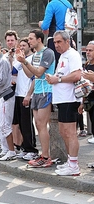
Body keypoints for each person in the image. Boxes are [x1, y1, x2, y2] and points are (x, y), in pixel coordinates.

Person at [16, 29, 55, 167]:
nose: (29, 41)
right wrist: (21, 61)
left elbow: (39, 72)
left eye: (31, 38)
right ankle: (43, 154)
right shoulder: (36, 55)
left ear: (39, 39)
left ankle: (46, 157)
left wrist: (25, 62)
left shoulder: (48, 53)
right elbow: (31, 75)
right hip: (37, 91)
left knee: (42, 124)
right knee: (38, 124)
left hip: (46, 91)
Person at [45, 30, 82, 176]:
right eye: (55, 42)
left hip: (69, 98)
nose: (56, 45)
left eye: (59, 42)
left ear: (67, 41)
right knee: (63, 132)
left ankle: (74, 165)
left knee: (70, 133)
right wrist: (54, 78)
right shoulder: (62, 57)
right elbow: (63, 75)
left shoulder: (73, 55)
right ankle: (70, 161)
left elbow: (76, 75)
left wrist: (58, 80)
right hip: (61, 99)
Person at [13, 37, 38, 161]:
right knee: (22, 123)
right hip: (18, 93)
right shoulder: (20, 59)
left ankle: (32, 149)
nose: (22, 47)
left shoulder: (32, 58)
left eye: (24, 45)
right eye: (20, 45)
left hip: (27, 94)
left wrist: (29, 94)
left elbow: (33, 76)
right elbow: (13, 71)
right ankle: (24, 147)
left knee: (27, 123)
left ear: (30, 46)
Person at [39, 0, 72, 66]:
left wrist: (40, 23)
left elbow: (45, 26)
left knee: (54, 66)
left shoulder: (52, 4)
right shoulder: (68, 4)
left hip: (55, 38)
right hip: (67, 38)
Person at [82, 41, 94, 144]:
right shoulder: (87, 65)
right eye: (87, 50)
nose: (88, 52)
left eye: (90, 50)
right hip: (90, 99)